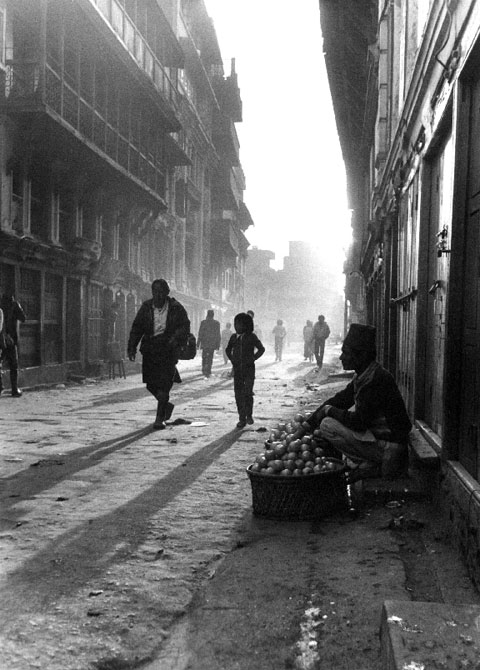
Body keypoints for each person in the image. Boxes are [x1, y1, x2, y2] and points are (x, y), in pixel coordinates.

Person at [305, 324, 411, 482]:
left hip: (392, 449)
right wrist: (307, 425)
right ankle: (369, 462)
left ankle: (372, 463)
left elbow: (359, 422)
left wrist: (328, 410)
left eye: (345, 353)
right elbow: (340, 400)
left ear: (361, 356)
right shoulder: (365, 375)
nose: (341, 357)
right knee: (331, 416)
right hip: (385, 442)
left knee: (328, 425)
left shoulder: (375, 380)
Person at [127, 279, 190, 430]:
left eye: (161, 292)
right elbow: (137, 327)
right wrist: (132, 347)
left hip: (168, 349)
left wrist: (175, 338)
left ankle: (159, 418)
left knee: (164, 385)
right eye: (155, 292)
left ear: (167, 293)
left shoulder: (176, 308)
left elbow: (185, 326)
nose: (158, 295)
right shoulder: (146, 307)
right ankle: (166, 405)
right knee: (150, 384)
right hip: (150, 349)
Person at [225, 312, 265, 428]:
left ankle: (249, 415)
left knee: (248, 393)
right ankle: (241, 418)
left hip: (249, 370)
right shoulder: (233, 337)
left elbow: (261, 349)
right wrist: (233, 360)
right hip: (237, 370)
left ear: (246, 325)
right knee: (238, 395)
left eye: (239, 324)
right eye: (235, 324)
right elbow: (228, 350)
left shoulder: (252, 337)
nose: (237, 326)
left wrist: (253, 358)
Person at [0, 293, 26, 397]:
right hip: (11, 339)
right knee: (13, 365)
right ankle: (14, 389)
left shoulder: (1, 306)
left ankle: (0, 386)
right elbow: (23, 318)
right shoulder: (15, 305)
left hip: (1, 338)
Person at [197, 309, 221, 378]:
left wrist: (198, 343)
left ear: (207, 314)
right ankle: (209, 370)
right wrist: (218, 344)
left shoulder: (203, 322)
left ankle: (204, 369)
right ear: (213, 315)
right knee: (210, 357)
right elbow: (218, 335)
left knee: (204, 357)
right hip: (212, 344)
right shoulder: (216, 323)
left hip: (204, 343)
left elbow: (200, 333)